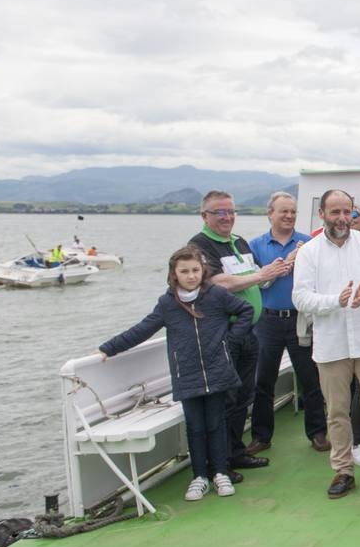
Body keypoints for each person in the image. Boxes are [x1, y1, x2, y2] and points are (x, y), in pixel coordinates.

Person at [98, 246, 252, 501]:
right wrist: (107, 348)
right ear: (174, 274)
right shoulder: (168, 303)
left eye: (195, 270)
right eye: (185, 271)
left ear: (203, 270)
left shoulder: (215, 295)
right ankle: (199, 476)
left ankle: (221, 473)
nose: (191, 276)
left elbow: (245, 311)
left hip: (217, 372)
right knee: (195, 426)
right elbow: (142, 329)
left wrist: (231, 340)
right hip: (187, 374)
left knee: (216, 423)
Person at [292, 189, 360, 500]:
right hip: (331, 345)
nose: (342, 218)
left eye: (348, 212)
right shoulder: (309, 252)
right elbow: (299, 297)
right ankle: (343, 470)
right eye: (335, 212)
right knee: (337, 412)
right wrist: (335, 301)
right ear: (322, 215)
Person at [190, 190, 288, 473]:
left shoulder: (239, 242)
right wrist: (261, 275)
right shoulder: (200, 245)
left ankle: (235, 451)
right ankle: (219, 461)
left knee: (244, 395)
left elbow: (254, 280)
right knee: (226, 397)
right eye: (220, 212)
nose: (227, 217)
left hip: (250, 331)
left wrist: (271, 271)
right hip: (224, 333)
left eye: (231, 211)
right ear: (205, 216)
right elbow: (216, 283)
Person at [249, 192, 328, 454]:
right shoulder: (255, 246)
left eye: (293, 211)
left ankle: (317, 433)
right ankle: (261, 437)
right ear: (270, 213)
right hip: (267, 321)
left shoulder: (308, 244)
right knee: (264, 381)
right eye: (283, 211)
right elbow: (253, 282)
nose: (289, 216)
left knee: (311, 378)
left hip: (300, 319)